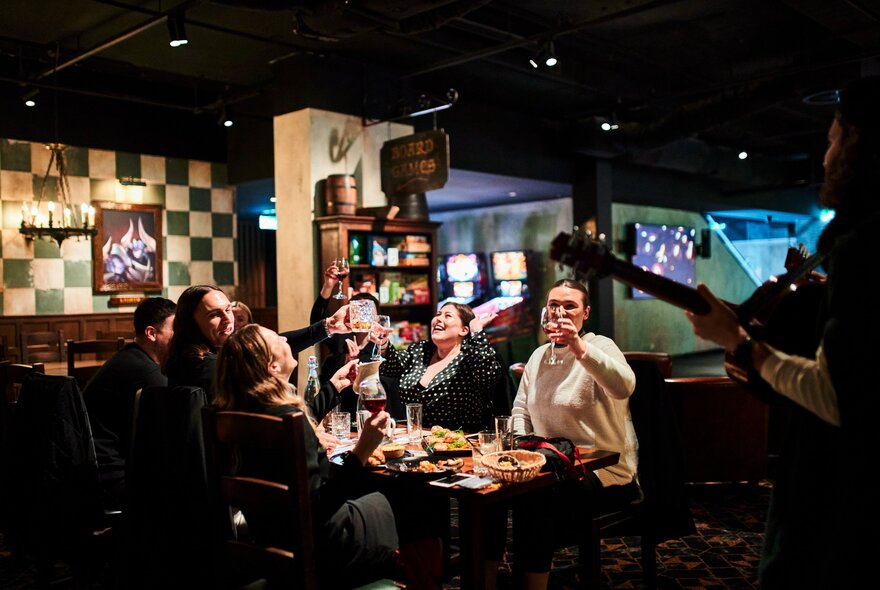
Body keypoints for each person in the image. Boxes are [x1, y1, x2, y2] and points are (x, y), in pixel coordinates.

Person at [684, 76, 880, 589]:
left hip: (843, 496)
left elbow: (833, 392)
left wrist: (739, 343)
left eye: (834, 139)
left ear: (860, 145)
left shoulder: (862, 248)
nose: (825, 157)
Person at [214, 324, 443, 589]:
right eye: (277, 339)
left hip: (275, 539)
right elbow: (318, 507)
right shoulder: (290, 420)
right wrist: (362, 450)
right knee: (421, 502)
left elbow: (294, 423)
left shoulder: (243, 415)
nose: (284, 338)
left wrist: (334, 387)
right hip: (326, 553)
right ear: (272, 367)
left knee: (388, 497)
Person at [485, 279, 638, 590]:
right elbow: (520, 413)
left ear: (585, 313)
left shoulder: (600, 346)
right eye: (554, 305)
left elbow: (625, 386)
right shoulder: (539, 355)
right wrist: (519, 452)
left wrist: (578, 347)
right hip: (547, 465)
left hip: (604, 470)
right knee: (490, 495)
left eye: (570, 306)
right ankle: (484, 581)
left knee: (537, 503)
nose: (561, 312)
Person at [165, 284, 351, 401]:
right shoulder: (211, 368)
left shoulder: (191, 356)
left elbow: (272, 345)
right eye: (214, 314)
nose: (227, 319)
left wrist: (329, 326)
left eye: (228, 310)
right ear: (190, 322)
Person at [82, 296, 176, 510]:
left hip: (91, 469)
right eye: (175, 331)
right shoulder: (147, 374)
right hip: (109, 478)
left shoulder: (131, 357)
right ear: (152, 333)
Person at [374, 301, 501, 432]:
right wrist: (382, 341)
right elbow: (391, 367)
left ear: (464, 330)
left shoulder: (469, 358)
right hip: (414, 439)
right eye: (438, 314)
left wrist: (477, 331)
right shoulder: (421, 351)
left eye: (448, 316)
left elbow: (489, 374)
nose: (438, 319)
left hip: (458, 443)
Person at [309, 262, 404, 418]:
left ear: (377, 317)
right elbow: (317, 323)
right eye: (358, 310)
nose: (363, 315)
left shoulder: (380, 347)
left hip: (371, 414)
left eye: (368, 311)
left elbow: (382, 389)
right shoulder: (341, 340)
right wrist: (328, 287)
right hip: (341, 414)